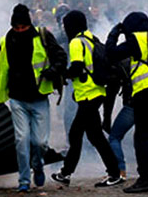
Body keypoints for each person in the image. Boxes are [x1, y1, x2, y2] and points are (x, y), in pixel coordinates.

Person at [0, 4, 67, 193]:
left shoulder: (42, 36)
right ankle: (24, 180)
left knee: (40, 142)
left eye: (23, 27)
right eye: (16, 27)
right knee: (21, 140)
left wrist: (54, 70)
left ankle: (38, 163)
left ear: (29, 24)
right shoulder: (6, 39)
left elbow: (60, 56)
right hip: (17, 99)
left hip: (39, 97)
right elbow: (1, 70)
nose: (19, 31)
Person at [50, 11, 123, 187]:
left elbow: (76, 67)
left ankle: (66, 173)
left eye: (66, 26)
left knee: (76, 133)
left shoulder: (76, 42)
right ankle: (114, 172)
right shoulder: (91, 38)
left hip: (88, 95)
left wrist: (61, 76)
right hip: (96, 93)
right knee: (95, 136)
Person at [106, 12, 148, 193]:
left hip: (146, 92)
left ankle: (144, 179)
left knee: (142, 136)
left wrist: (114, 33)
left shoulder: (137, 39)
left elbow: (111, 53)